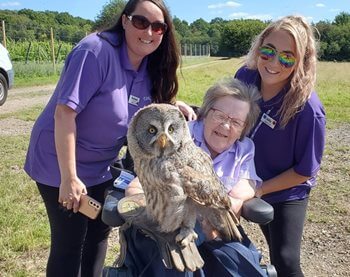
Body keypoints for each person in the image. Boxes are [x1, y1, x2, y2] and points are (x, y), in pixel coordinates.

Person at [24, 1, 196, 276]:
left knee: (98, 234)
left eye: (158, 26)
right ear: (125, 20)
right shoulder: (95, 51)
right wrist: (68, 178)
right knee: (70, 242)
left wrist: (173, 105)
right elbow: (64, 114)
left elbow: (144, 108)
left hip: (102, 165)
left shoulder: (149, 64)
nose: (149, 32)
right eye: (141, 22)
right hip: (60, 161)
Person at [124, 78, 266, 276]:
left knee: (239, 266)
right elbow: (140, 185)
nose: (226, 126)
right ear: (205, 113)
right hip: (169, 229)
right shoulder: (178, 133)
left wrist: (228, 204)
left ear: (244, 128)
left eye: (236, 122)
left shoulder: (244, 149)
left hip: (215, 228)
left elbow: (246, 184)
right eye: (220, 115)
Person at [235, 15, 326, 276]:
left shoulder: (308, 109)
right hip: (249, 179)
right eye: (268, 52)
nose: (274, 63)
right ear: (259, 47)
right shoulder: (245, 76)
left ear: (302, 62)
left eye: (287, 57)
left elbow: (305, 170)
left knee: (285, 259)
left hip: (287, 191)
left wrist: (259, 189)